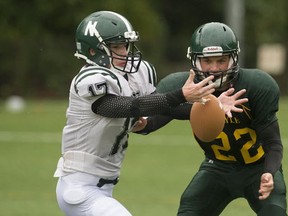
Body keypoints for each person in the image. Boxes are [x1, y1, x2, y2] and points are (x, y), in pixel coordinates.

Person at [52, 11, 226, 216]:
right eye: (116, 46)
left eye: (125, 45)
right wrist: (181, 94)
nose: (124, 51)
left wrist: (213, 106)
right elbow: (122, 107)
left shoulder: (135, 73)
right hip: (79, 188)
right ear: (92, 51)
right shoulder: (91, 79)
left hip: (103, 187)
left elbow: (162, 108)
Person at [143, 22, 286, 216]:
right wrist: (212, 106)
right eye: (207, 61)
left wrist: (269, 172)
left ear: (234, 58)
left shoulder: (256, 86)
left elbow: (273, 143)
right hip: (217, 168)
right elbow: (148, 124)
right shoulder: (180, 86)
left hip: (258, 168)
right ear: (195, 61)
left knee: (274, 212)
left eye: (221, 60)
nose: (214, 68)